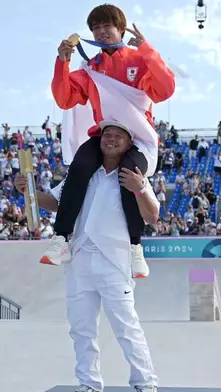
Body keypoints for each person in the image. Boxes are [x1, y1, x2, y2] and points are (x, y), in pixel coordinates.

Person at [14, 120, 160, 392]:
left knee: (126, 327)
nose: (111, 139)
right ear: (99, 140)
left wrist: (139, 188)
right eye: (107, 134)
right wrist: (29, 190)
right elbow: (56, 203)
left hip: (114, 261)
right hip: (79, 258)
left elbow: (152, 216)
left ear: (129, 144)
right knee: (81, 329)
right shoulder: (82, 175)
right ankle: (88, 384)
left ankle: (145, 383)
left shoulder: (136, 176)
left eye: (119, 135)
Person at [46, 3, 176, 279]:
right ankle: (61, 239)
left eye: (107, 26)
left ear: (120, 29)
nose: (101, 32)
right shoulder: (91, 69)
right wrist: (62, 62)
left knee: (130, 175)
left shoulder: (139, 61)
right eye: (96, 28)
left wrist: (148, 50)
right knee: (79, 167)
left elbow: (165, 90)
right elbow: (64, 98)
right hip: (105, 135)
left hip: (138, 138)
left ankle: (134, 246)